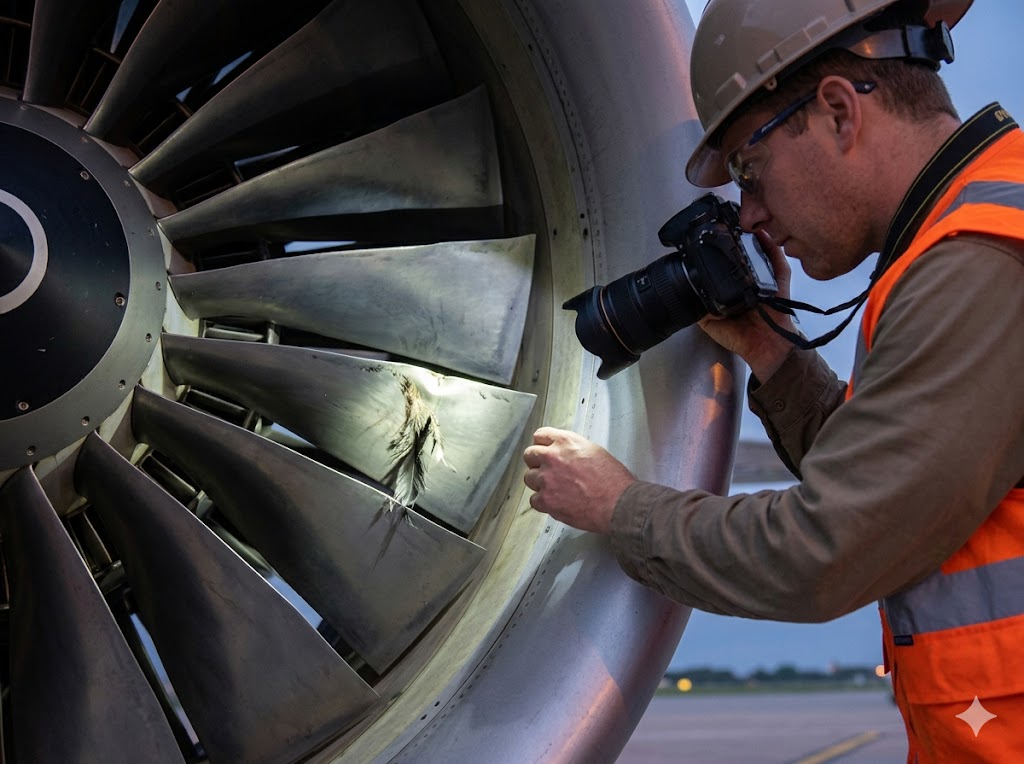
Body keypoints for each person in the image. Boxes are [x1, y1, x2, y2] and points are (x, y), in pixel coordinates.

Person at [522, 0, 1024, 760]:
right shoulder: (973, 232)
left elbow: (834, 547)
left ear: (836, 113)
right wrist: (772, 349)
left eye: (751, 172)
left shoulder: (980, 262)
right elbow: (902, 486)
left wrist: (619, 508)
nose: (750, 215)